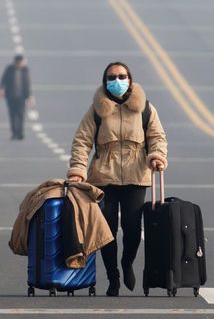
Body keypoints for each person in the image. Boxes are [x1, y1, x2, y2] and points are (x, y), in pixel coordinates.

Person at [66, 62, 168, 297]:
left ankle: (127, 263)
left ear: (130, 79)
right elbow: (82, 141)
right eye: (112, 77)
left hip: (136, 177)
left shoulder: (145, 109)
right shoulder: (96, 110)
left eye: (122, 76)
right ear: (105, 81)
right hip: (104, 178)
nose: (117, 80)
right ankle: (113, 278)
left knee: (132, 229)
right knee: (107, 231)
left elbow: (157, 136)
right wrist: (78, 169)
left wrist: (157, 156)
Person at [0, 54, 33, 140]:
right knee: (12, 115)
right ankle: (14, 133)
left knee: (21, 115)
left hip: (21, 97)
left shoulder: (25, 70)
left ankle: (20, 133)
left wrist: (29, 96)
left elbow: (27, 84)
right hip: (11, 96)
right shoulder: (9, 69)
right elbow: (3, 80)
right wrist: (2, 89)